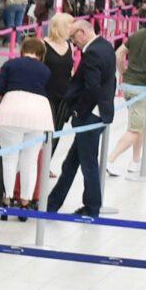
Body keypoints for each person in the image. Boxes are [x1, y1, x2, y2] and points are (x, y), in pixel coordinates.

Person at [47, 18, 118, 219]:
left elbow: (92, 88)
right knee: (71, 163)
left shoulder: (93, 53)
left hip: (90, 117)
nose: (73, 43)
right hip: (100, 114)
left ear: (82, 33)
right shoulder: (105, 45)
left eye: (73, 38)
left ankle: (92, 207)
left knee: (87, 163)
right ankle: (53, 203)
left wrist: (78, 112)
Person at [0, 37, 58, 208]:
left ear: (22, 50)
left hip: (11, 111)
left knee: (8, 157)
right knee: (30, 159)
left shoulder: (10, 65)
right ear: (41, 54)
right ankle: (25, 200)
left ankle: (6, 197)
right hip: (39, 114)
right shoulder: (46, 70)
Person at [105, 5, 146, 173]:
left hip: (128, 85)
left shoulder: (137, 34)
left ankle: (136, 161)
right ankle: (109, 160)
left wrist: (123, 72)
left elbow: (119, 53)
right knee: (135, 128)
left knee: (140, 125)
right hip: (141, 89)